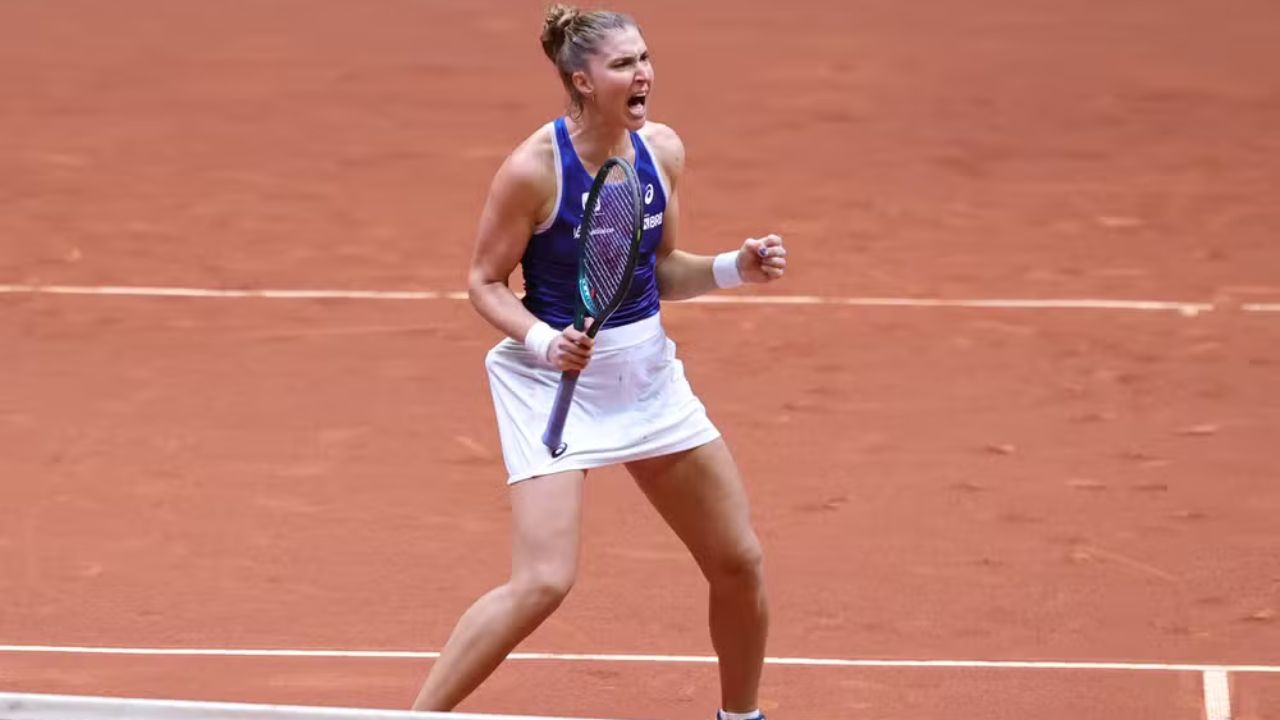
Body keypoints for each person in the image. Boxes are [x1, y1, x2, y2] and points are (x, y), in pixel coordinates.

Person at [412, 5, 787, 719]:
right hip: (554, 382)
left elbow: (663, 270)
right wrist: (542, 342)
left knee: (738, 562)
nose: (643, 74)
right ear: (582, 80)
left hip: (644, 378)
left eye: (644, 58)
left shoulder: (662, 151)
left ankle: (741, 717)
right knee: (544, 581)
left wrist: (735, 269)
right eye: (623, 64)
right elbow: (484, 283)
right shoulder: (534, 169)